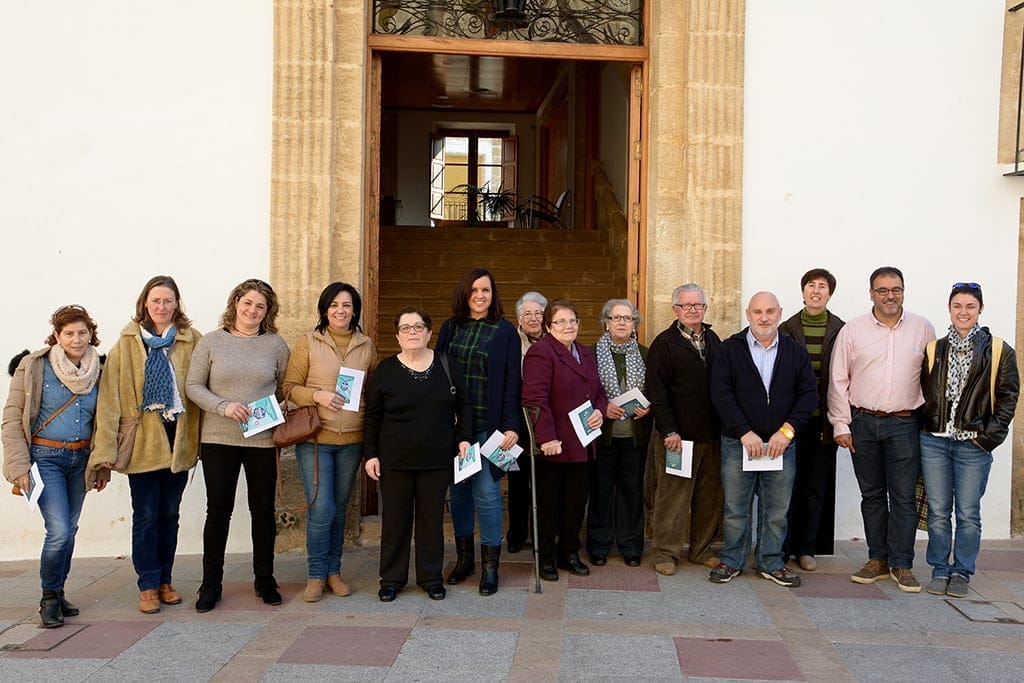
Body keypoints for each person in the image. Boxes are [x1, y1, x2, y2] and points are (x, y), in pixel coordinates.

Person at [89, 276, 202, 615]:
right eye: (156, 300)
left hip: (178, 440)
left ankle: (166, 579)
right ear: (145, 303)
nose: (161, 306)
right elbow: (109, 399)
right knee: (146, 516)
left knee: (169, 514)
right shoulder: (127, 343)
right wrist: (105, 450)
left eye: (168, 300)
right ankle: (148, 584)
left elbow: (203, 387)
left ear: (177, 304)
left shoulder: (192, 340)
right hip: (142, 442)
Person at [828, 266, 935, 593]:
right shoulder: (853, 330)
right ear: (871, 293)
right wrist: (841, 424)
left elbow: (932, 378)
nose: (890, 296)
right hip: (863, 423)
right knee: (872, 495)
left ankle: (902, 563)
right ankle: (877, 559)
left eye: (896, 289)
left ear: (903, 291)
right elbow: (838, 378)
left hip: (904, 423)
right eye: (883, 290)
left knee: (903, 497)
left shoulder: (922, 328)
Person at [186, 279, 290, 612]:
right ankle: (210, 584)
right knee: (218, 511)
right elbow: (193, 386)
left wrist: (276, 409)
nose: (252, 310)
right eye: (247, 303)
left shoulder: (275, 345)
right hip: (219, 439)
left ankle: (265, 580)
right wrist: (224, 406)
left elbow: (286, 389)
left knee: (263, 511)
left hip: (262, 439)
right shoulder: (212, 342)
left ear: (268, 311)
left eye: (260, 306)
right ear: (235, 303)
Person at [3, 305, 104, 628]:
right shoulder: (34, 366)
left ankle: (59, 592)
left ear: (91, 334)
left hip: (81, 459)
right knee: (58, 530)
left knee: (70, 529)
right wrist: (18, 466)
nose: (77, 339)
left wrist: (101, 466)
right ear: (57, 336)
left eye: (82, 332)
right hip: (44, 458)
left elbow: (105, 421)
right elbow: (12, 418)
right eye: (69, 333)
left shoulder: (100, 369)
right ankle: (48, 597)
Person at [364, 307, 472, 602]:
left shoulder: (447, 364)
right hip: (394, 461)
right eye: (405, 328)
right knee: (395, 521)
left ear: (429, 333)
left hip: (437, 460)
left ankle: (431, 578)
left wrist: (464, 439)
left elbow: (464, 406)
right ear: (398, 336)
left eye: (418, 327)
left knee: (431, 520)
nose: (412, 332)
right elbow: (372, 417)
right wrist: (370, 454)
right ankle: (391, 579)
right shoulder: (385, 370)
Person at [709, 292, 817, 588]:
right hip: (738, 444)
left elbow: (808, 396)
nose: (764, 317)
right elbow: (721, 394)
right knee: (735, 508)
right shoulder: (730, 350)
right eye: (758, 312)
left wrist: (787, 432)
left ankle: (771, 562)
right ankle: (732, 560)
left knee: (776, 510)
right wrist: (743, 431)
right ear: (748, 314)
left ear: (780, 313)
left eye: (770, 311)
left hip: (780, 446)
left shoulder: (795, 352)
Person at [919, 282, 1019, 598]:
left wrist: (987, 439)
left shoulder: (998, 350)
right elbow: (924, 392)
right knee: (938, 511)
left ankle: (961, 571)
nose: (963, 312)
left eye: (970, 306)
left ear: (980, 309)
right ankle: (939, 568)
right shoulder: (935, 349)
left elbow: (1008, 397)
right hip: (935, 442)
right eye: (957, 306)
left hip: (973, 444)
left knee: (967, 513)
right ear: (949, 309)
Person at [282, 282, 378, 602]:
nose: (340, 310)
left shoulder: (366, 345)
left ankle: (334, 572)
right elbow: (289, 387)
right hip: (315, 439)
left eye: (347, 305)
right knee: (321, 508)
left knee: (338, 508)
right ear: (325, 309)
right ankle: (315, 575)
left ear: (355, 310)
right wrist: (317, 395)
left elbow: (372, 391)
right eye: (334, 305)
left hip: (352, 439)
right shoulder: (308, 341)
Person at [435, 268, 523, 595]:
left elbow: (513, 383)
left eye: (485, 290)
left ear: (493, 294)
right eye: (473, 290)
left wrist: (512, 425)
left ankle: (490, 567)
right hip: (457, 429)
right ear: (465, 293)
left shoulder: (505, 332)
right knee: (458, 493)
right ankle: (464, 560)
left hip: (489, 426)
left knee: (486, 492)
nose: (480, 296)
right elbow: (437, 374)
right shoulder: (450, 328)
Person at [522, 299, 607, 581]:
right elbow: (534, 399)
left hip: (583, 441)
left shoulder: (585, 352)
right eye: (560, 321)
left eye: (572, 320)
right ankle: (546, 557)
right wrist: (546, 437)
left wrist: (599, 410)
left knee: (575, 503)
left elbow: (598, 391)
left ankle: (569, 553)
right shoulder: (541, 352)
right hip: (554, 444)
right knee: (549, 504)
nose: (568, 326)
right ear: (548, 326)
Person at [645, 283, 723, 575]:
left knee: (709, 497)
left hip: (710, 435)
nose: (692, 310)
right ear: (675, 309)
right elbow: (657, 392)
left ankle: (701, 550)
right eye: (686, 305)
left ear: (705, 308)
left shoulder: (713, 339)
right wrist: (669, 431)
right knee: (672, 498)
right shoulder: (664, 344)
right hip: (677, 437)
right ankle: (665, 552)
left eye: (697, 305)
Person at [779, 268, 845, 571]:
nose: (816, 291)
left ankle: (807, 549)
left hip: (823, 422)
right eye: (810, 285)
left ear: (830, 293)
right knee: (785, 486)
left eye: (822, 286)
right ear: (803, 291)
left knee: (814, 487)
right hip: (790, 422)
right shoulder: (786, 329)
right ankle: (782, 547)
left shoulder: (841, 330)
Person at [586, 298, 651, 567]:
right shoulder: (590, 354)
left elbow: (656, 390)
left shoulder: (646, 354)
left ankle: (630, 546)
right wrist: (602, 407)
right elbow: (583, 393)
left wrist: (649, 408)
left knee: (632, 491)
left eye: (628, 318)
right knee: (600, 491)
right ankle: (599, 545)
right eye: (616, 318)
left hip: (634, 437)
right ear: (606, 322)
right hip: (603, 436)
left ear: (635, 323)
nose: (622, 322)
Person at [507, 290, 547, 554]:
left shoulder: (554, 341)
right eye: (527, 314)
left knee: (544, 481)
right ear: (519, 319)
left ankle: (542, 534)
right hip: (517, 420)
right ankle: (517, 534)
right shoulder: (511, 343)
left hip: (545, 421)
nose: (533, 318)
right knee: (517, 480)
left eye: (538, 313)